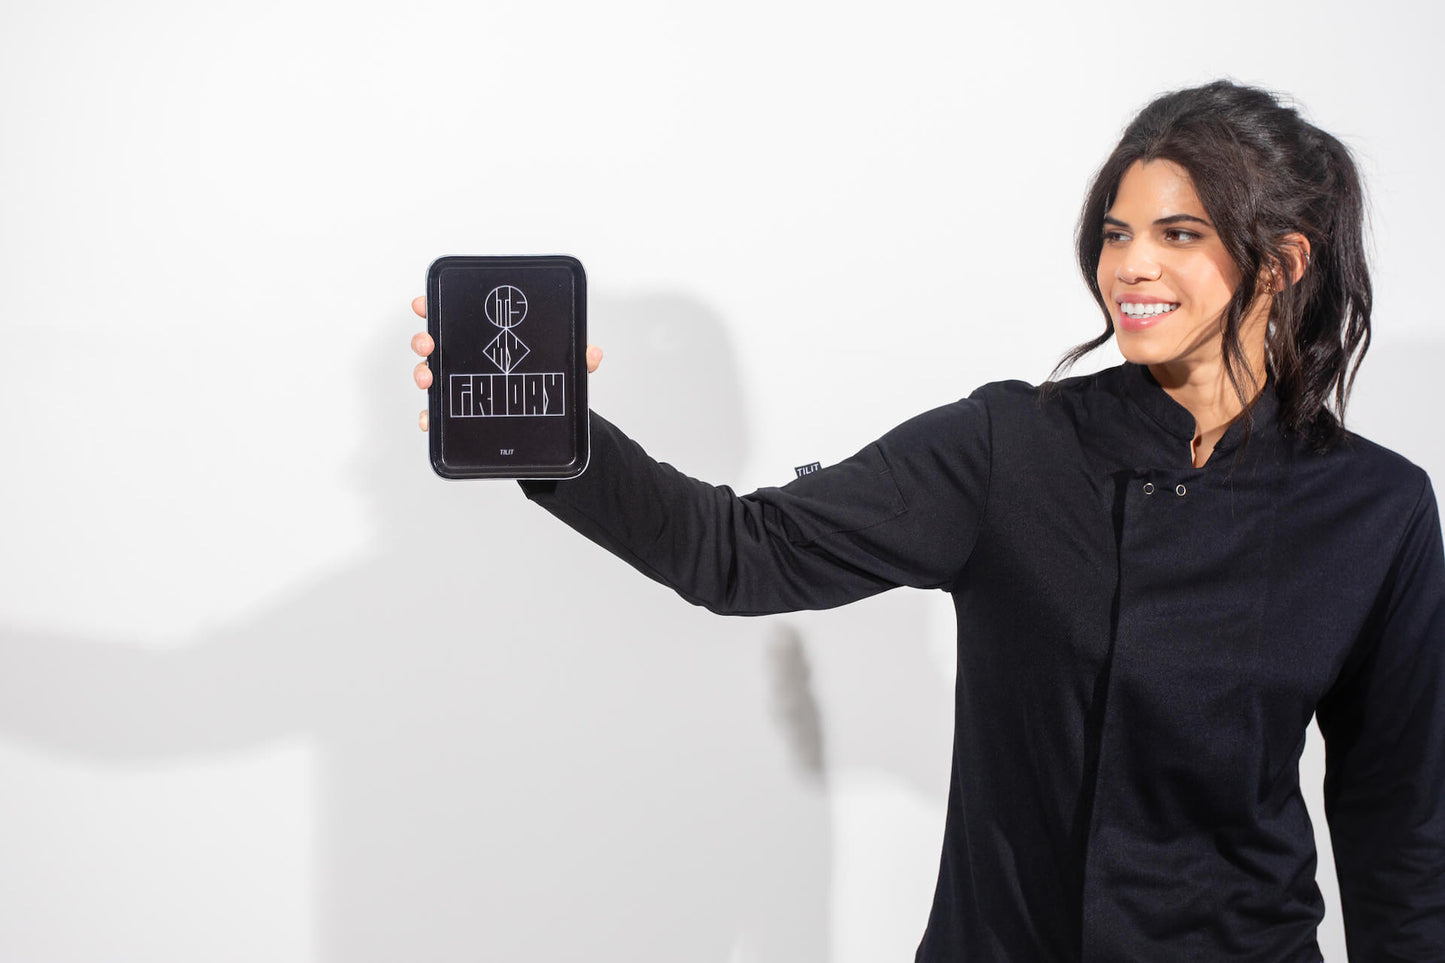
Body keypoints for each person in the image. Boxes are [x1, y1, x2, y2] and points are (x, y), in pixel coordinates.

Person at [409, 81, 1445, 961]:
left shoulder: (1376, 509)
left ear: (1280, 264)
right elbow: (738, 554)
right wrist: (556, 439)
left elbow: (1396, 823)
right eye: (1116, 233)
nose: (1128, 268)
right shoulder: (1009, 447)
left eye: (1178, 235)